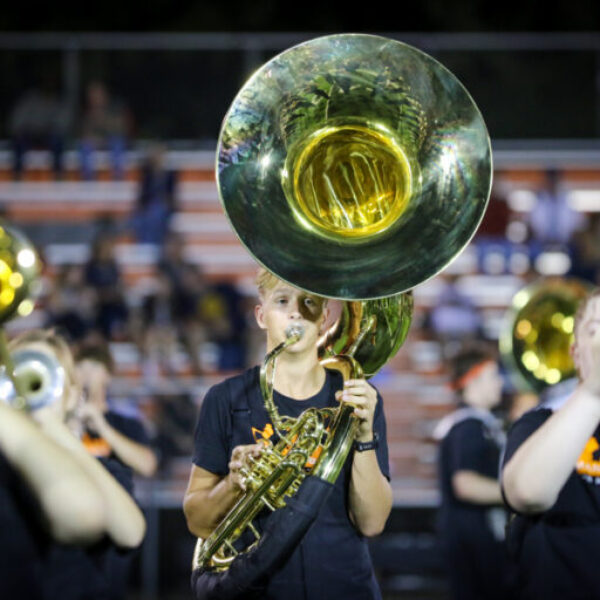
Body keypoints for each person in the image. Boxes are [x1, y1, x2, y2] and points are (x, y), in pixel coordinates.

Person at [183, 268, 392, 599]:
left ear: (325, 317)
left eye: (309, 301)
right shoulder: (225, 398)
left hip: (345, 586)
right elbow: (197, 521)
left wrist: (364, 434)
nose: (296, 311)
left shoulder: (355, 396)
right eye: (282, 300)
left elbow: (372, 523)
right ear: (261, 315)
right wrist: (233, 484)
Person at [1, 329, 146, 599]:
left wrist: (50, 423)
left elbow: (131, 534)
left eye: (46, 375)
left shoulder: (102, 469)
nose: (29, 390)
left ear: (71, 395)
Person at [502, 288, 600, 599]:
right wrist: (593, 392)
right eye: (596, 329)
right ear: (575, 353)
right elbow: (527, 493)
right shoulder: (539, 423)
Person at [434, 344, 511, 600]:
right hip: (473, 541)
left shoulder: (473, 425)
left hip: (472, 538)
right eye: (493, 376)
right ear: (474, 381)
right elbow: (465, 484)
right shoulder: (469, 427)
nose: (500, 382)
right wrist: (516, 493)